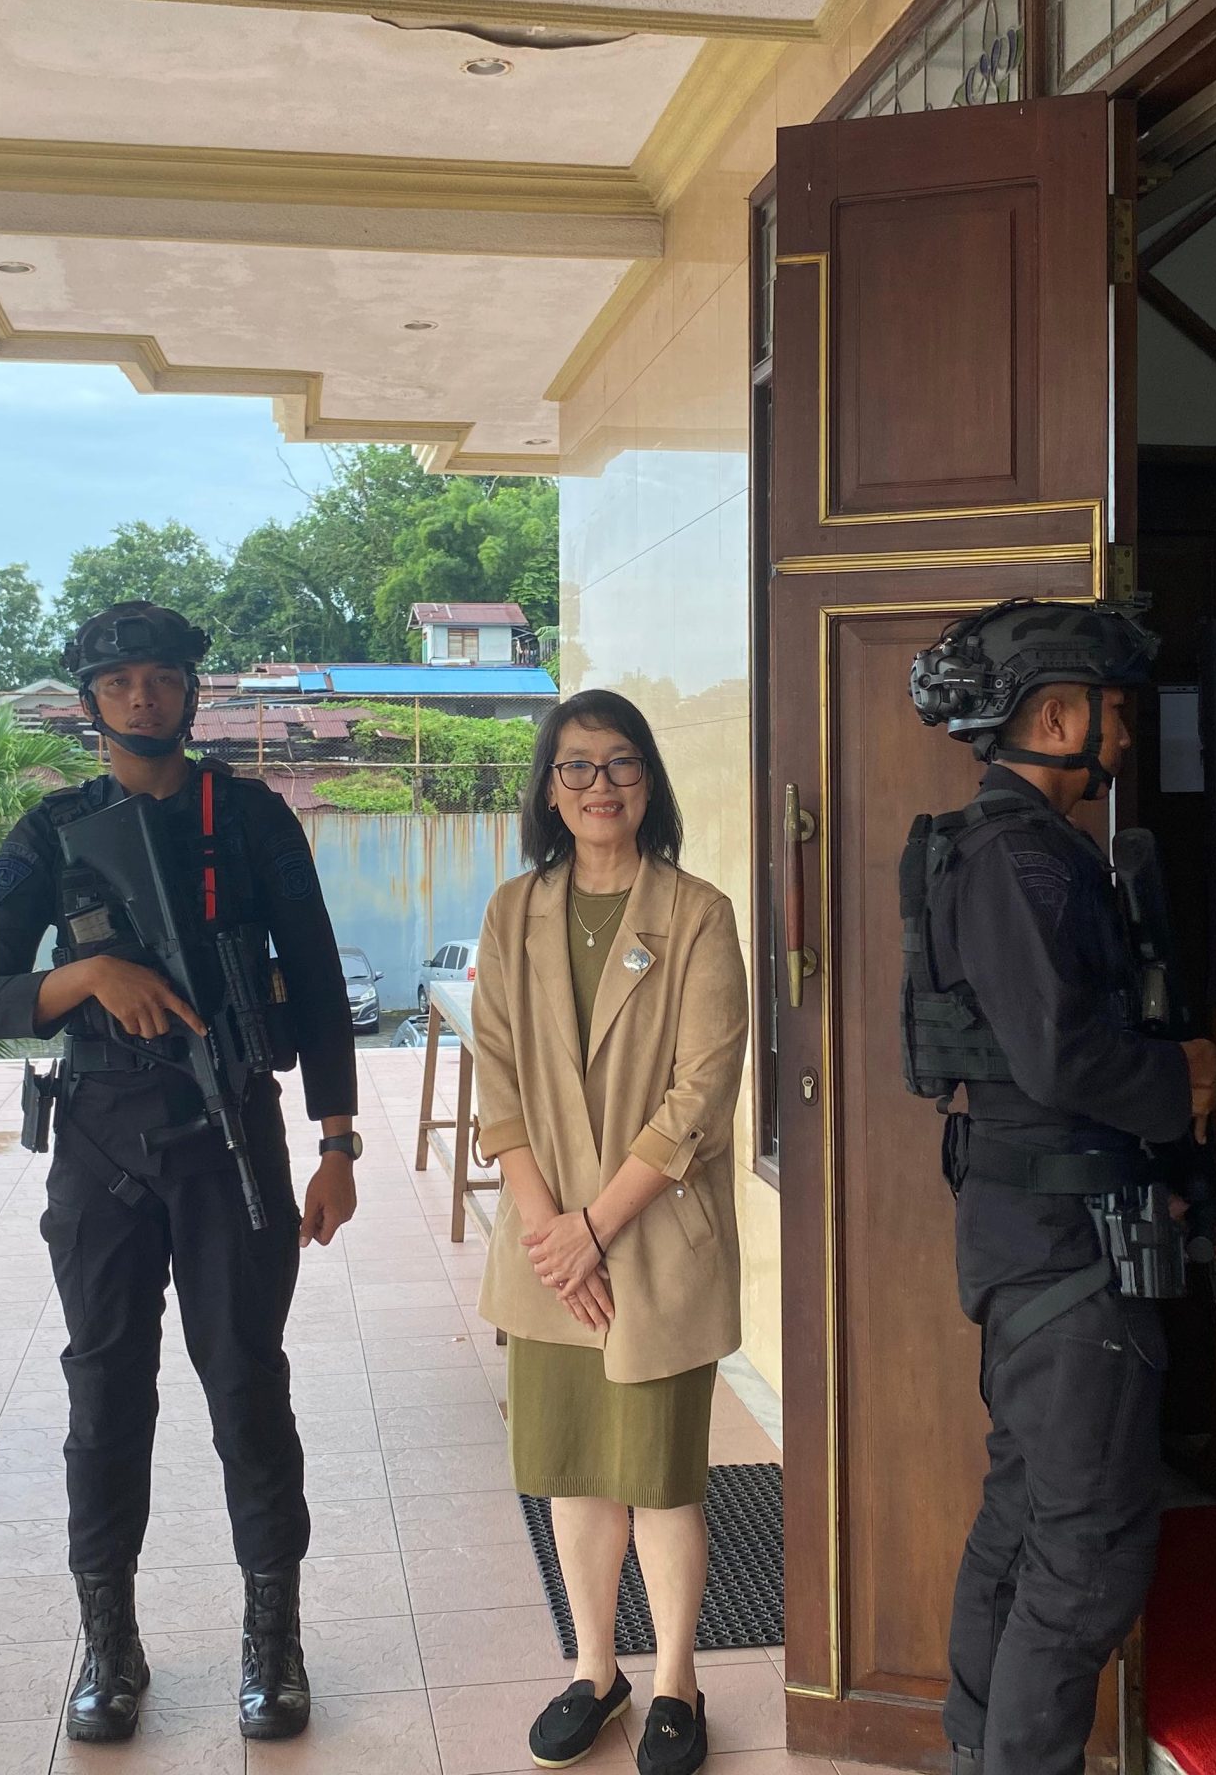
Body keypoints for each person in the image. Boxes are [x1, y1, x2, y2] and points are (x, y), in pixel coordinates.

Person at [0, 601, 365, 1747]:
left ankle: (272, 1644)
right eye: (120, 680)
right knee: (105, 1397)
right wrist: (88, 979)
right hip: (100, 1145)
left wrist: (336, 1143)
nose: (143, 696)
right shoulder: (51, 832)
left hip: (231, 1137)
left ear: (190, 692)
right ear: (90, 700)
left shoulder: (252, 818)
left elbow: (316, 983)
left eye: (162, 678)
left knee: (248, 1389)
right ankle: (111, 1647)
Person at [903, 600, 1216, 1775]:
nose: (1125, 736)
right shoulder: (1020, 857)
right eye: (1113, 712)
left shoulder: (1019, 849)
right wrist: (1187, 1080)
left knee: (1030, 1512)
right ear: (1053, 717)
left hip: (1045, 1235)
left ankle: (976, 1750)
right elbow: (1063, 1058)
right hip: (1061, 1252)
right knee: (1085, 1554)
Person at [469, 690, 748, 1775]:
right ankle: (596, 1671)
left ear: (649, 783)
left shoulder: (698, 915)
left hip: (652, 1240)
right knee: (576, 1470)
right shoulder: (513, 912)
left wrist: (595, 1227)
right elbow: (499, 1079)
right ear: (549, 788)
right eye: (577, 766)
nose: (599, 785)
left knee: (662, 1476)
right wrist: (553, 1233)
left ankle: (676, 1678)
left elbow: (700, 1095)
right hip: (552, 1251)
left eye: (621, 764)